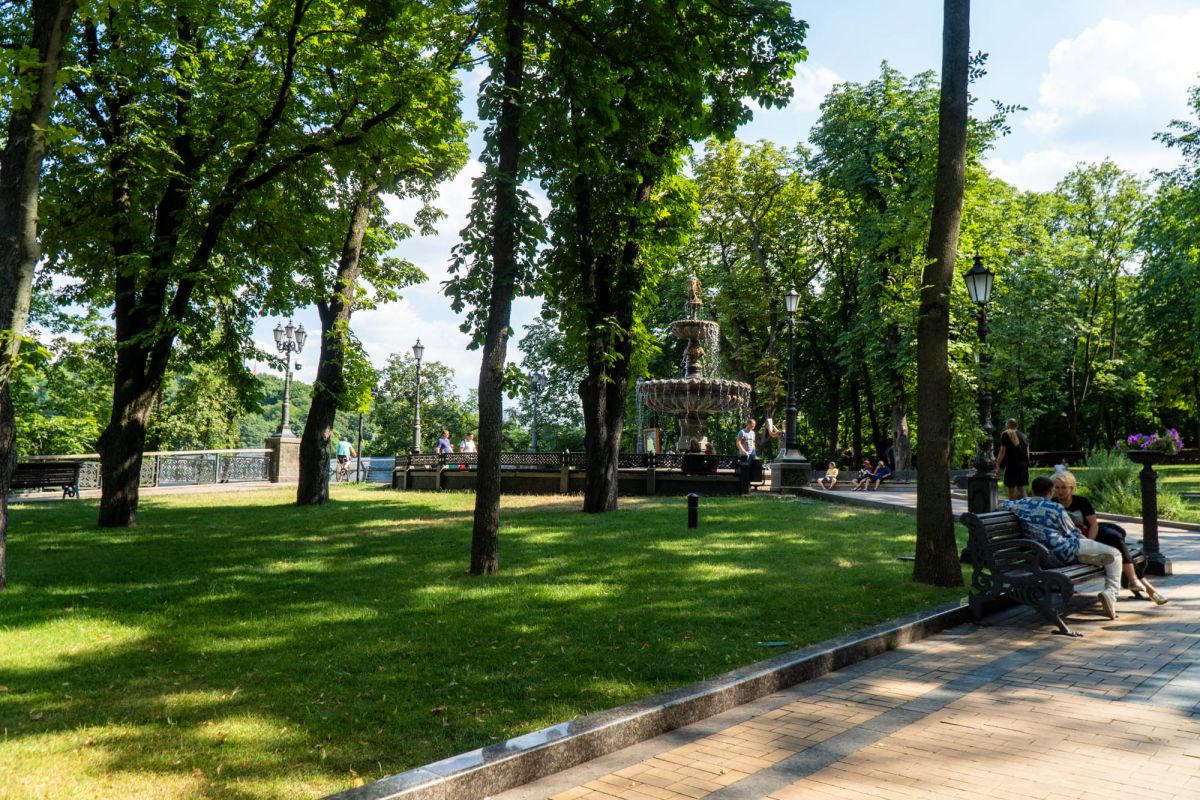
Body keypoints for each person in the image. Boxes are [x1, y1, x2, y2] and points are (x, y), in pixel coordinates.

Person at [1004, 475, 1123, 620]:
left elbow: (1004, 504)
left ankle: (1088, 558)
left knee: (1096, 552)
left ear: (1032, 490)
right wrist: (1089, 543)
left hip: (1040, 556)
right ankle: (1111, 594)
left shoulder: (1019, 505)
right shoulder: (1056, 507)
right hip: (1064, 552)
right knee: (1115, 554)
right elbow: (1072, 532)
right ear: (1051, 491)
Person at [1051, 471, 1167, 604]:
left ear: (1071, 488)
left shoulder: (1081, 501)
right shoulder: (1052, 504)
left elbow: (1093, 525)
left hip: (1091, 534)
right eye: (1057, 487)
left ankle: (1135, 581)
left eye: (1064, 487)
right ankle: (1148, 588)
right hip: (1073, 541)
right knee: (1120, 550)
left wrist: (1090, 542)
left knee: (1114, 537)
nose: (1060, 491)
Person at [995, 418, 1030, 500]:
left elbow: (1002, 452)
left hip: (1012, 465)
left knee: (1011, 489)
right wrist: (1026, 465)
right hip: (1023, 465)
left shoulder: (1006, 434)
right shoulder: (1024, 436)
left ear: (1008, 425)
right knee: (1021, 488)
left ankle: (1012, 506)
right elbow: (1027, 453)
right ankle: (1028, 505)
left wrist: (997, 465)